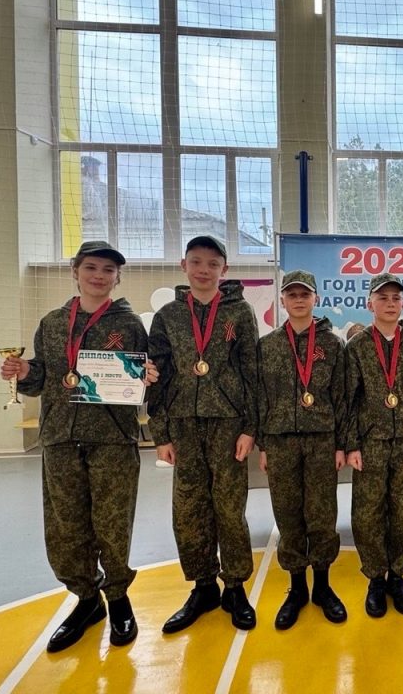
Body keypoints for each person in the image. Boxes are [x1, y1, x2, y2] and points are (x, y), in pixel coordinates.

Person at [0, 240, 158, 653]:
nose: (99, 276)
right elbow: (42, 378)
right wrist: (24, 370)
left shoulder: (129, 325)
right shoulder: (53, 323)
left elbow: (143, 377)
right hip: (60, 437)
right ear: (75, 272)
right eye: (91, 267)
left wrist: (147, 375)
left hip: (112, 438)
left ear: (117, 277)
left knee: (112, 524)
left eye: (108, 270)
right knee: (66, 526)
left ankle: (118, 599)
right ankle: (87, 600)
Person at [148, 235, 259, 634]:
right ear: (184, 265)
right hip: (183, 424)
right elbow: (157, 375)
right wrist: (160, 433)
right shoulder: (168, 316)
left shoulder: (240, 312)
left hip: (228, 424)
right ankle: (203, 586)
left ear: (224, 269)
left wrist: (250, 428)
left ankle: (235, 587)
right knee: (189, 509)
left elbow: (252, 372)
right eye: (196, 262)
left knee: (230, 508)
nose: (203, 270)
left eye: (213, 264)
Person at [258, 269, 348, 629]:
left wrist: (341, 444)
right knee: (288, 515)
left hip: (322, 440)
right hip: (280, 441)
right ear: (282, 300)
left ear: (316, 299)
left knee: (322, 515)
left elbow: (342, 397)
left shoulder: (333, 345)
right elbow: (260, 398)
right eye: (292, 294)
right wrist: (263, 444)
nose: (298, 300)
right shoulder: (267, 346)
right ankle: (296, 589)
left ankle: (323, 587)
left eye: (305, 294)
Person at [344, 273, 403, 617]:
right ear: (370, 304)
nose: (390, 304)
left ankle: (398, 576)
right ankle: (375, 579)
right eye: (383, 298)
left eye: (396, 298)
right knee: (368, 513)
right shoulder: (358, 346)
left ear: (402, 303)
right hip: (371, 443)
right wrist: (352, 445)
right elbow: (349, 400)